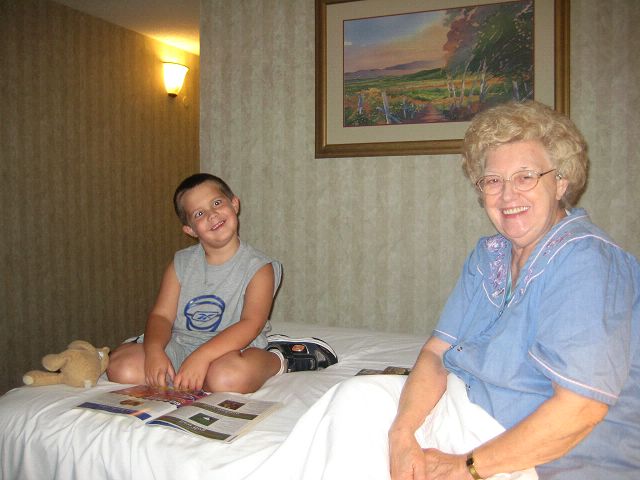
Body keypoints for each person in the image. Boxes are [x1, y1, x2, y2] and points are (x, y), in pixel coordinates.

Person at [388, 101, 639, 479]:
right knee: (355, 403)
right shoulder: (489, 255)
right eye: (493, 180)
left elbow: (580, 409)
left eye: (525, 177)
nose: (507, 196)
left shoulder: (588, 262)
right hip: (470, 418)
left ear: (561, 182)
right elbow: (435, 353)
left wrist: (466, 467)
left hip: (544, 456)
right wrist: (401, 434)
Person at [107, 173, 337, 393]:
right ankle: (161, 357)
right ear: (190, 230)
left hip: (235, 347)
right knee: (122, 368)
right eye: (199, 213)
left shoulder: (259, 267)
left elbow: (251, 324)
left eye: (217, 203)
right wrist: (154, 351)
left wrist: (202, 357)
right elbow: (161, 316)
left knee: (225, 379)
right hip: (182, 343)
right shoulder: (180, 263)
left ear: (234, 204)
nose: (212, 215)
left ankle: (280, 358)